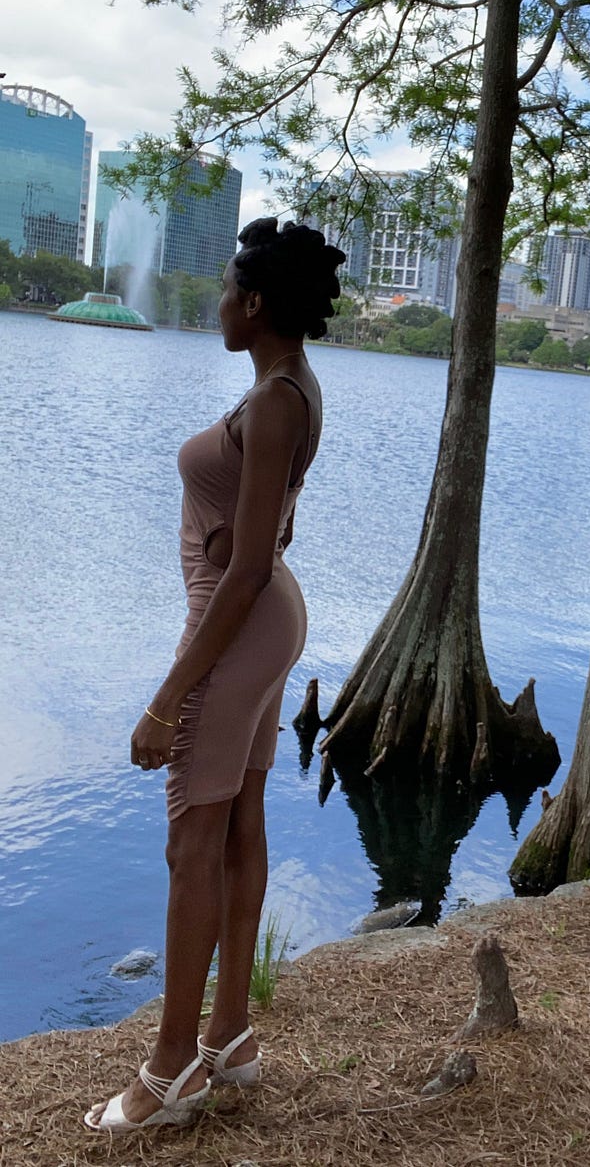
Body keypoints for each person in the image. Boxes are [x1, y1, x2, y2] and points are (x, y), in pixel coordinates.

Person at [85, 218, 343, 1133]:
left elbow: (243, 571)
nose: (219, 304)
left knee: (190, 842)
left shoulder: (276, 399)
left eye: (230, 290)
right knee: (238, 822)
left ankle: (168, 1074)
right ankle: (228, 1035)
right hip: (266, 624)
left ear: (257, 302)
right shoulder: (290, 387)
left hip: (238, 630)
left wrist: (165, 700)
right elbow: (269, 528)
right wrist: (253, 531)